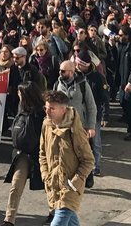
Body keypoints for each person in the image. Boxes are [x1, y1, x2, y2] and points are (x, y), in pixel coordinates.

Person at [38, 90, 94, 226]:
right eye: (46, 108)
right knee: (71, 222)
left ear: (63, 110)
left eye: (52, 109)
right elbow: (42, 153)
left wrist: (75, 182)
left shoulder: (75, 131)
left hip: (70, 189)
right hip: (53, 185)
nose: (47, 112)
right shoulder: (46, 125)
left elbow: (88, 160)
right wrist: (45, 174)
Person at [0, 82, 45, 226]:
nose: (18, 95)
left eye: (20, 92)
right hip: (22, 154)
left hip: (40, 154)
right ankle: (9, 220)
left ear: (27, 95)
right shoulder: (21, 107)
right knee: (16, 185)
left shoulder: (41, 113)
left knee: (50, 186)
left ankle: (54, 213)